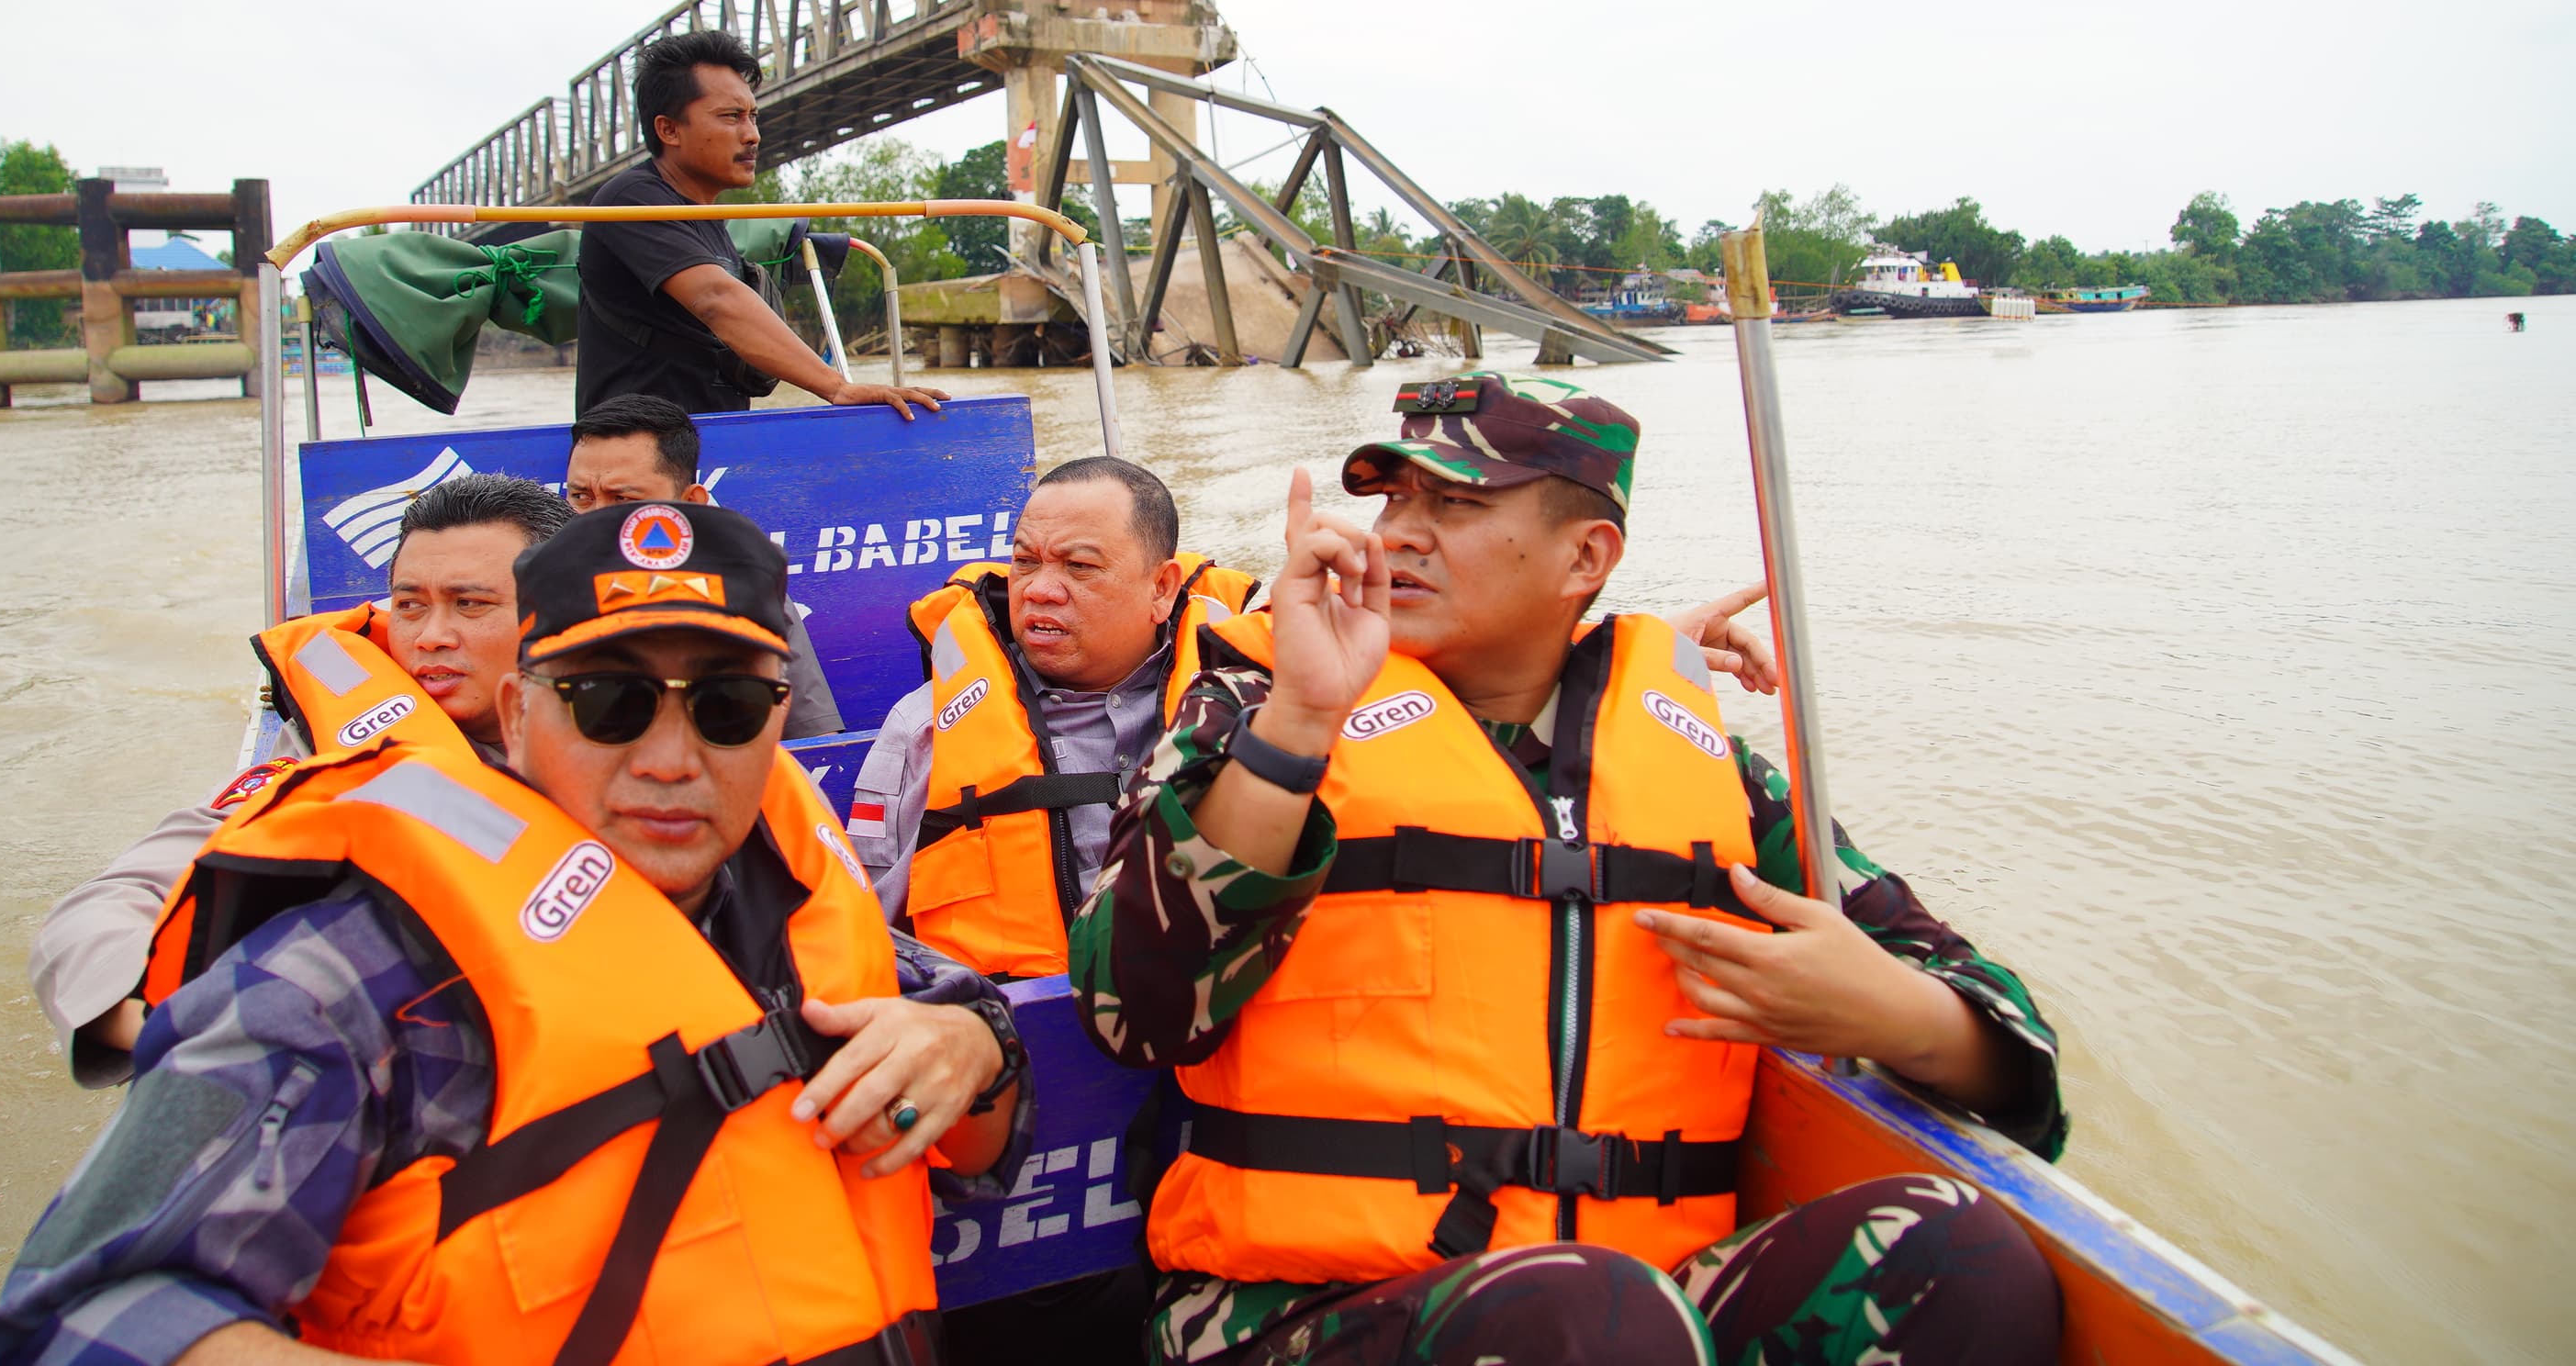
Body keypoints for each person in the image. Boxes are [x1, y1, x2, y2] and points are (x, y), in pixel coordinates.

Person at [1070, 373, 2066, 1366]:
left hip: (1638, 1308)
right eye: (1392, 498)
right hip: (1299, 1313)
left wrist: (1894, 1011)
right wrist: (1297, 724)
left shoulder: (1717, 774)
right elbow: (1129, 1006)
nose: (1398, 534)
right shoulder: (1254, 709)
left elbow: (2009, 1041)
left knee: (1962, 1253)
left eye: (1454, 502)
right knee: (1592, 1320)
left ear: (1585, 555)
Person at [0, 501, 1032, 1366]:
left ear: (773, 719)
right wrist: (148, 1017)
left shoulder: (784, 886)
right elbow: (71, 1318)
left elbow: (955, 1007)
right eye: (609, 702)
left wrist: (972, 1043)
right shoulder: (350, 975)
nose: (668, 757)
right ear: (519, 716)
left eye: (724, 707)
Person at [28, 473, 573, 1085]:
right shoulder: (332, 757)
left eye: (471, 604)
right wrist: (175, 1026)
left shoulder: (651, 728)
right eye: (410, 605)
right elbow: (108, 905)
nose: (430, 637)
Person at [849, 456, 1260, 977]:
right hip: (1023, 1032)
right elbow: (866, 937)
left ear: (1161, 589)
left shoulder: (1250, 703)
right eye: (1025, 561)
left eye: (1079, 566)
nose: (1039, 589)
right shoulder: (927, 726)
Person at [576, 28, 948, 420]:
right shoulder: (630, 201)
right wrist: (838, 387)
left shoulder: (706, 216)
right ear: (668, 129)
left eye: (753, 116)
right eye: (731, 117)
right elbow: (716, 299)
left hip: (710, 443)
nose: (752, 135)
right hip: (631, 455)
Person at [568, 393, 843, 736]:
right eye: (581, 498)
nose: (595, 522)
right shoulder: (527, 593)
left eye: (623, 500)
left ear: (690, 506)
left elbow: (813, 743)